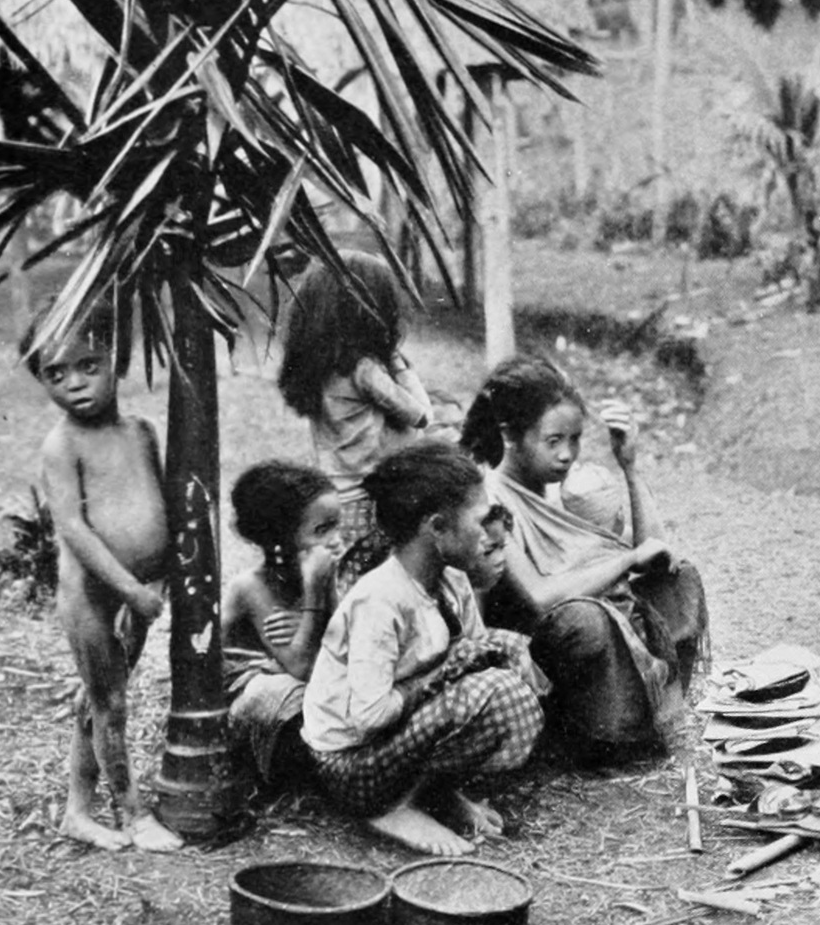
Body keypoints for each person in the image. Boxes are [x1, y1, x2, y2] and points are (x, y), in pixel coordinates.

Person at [461, 356, 709, 765]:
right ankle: (592, 734)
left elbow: (654, 553)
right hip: (535, 641)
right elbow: (539, 597)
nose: (567, 454)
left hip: (590, 621)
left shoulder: (558, 489)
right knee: (587, 618)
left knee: (677, 578)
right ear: (511, 436)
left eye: (574, 440)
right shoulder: (492, 497)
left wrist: (629, 467)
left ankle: (656, 715)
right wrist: (627, 560)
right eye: (553, 441)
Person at [302, 442, 545, 855]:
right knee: (498, 693)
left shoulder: (453, 579)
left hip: (397, 739)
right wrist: (441, 675)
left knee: (509, 653)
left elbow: (475, 650)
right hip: (350, 764)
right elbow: (368, 717)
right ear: (437, 527)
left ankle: (435, 792)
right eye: (480, 520)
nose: (487, 532)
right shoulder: (381, 600)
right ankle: (394, 808)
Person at [23, 304, 184, 853]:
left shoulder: (141, 431)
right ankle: (133, 814)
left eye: (88, 365)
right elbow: (73, 528)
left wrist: (157, 579)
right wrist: (130, 590)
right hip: (94, 595)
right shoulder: (63, 445)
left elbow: (162, 502)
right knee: (109, 704)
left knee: (100, 700)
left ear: (117, 358)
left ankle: (77, 810)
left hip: (140, 593)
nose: (74, 383)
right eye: (55, 374)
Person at [275, 250, 431, 585]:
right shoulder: (364, 370)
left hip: (335, 495)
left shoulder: (319, 368)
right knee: (379, 583)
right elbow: (421, 415)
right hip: (371, 497)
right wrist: (397, 362)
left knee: (349, 581)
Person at [222, 461, 343, 791]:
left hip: (295, 686)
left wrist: (322, 598)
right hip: (246, 709)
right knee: (292, 694)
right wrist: (314, 594)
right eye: (322, 530)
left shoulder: (318, 573)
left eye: (337, 526)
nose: (336, 540)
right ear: (281, 541)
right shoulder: (251, 587)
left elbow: (343, 640)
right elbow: (303, 666)